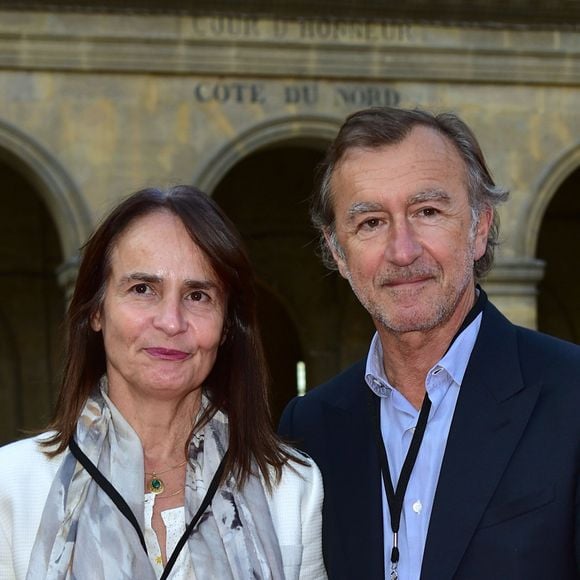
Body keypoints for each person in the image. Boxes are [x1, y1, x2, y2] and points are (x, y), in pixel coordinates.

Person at [279, 107, 580, 579]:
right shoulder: (310, 427)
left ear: (480, 227)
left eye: (428, 212)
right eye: (371, 222)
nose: (403, 250)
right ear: (338, 250)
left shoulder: (572, 395)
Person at [0, 185, 326, 580]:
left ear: (226, 327)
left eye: (198, 296)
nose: (171, 321)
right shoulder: (12, 486)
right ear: (96, 311)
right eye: (142, 289)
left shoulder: (291, 487)